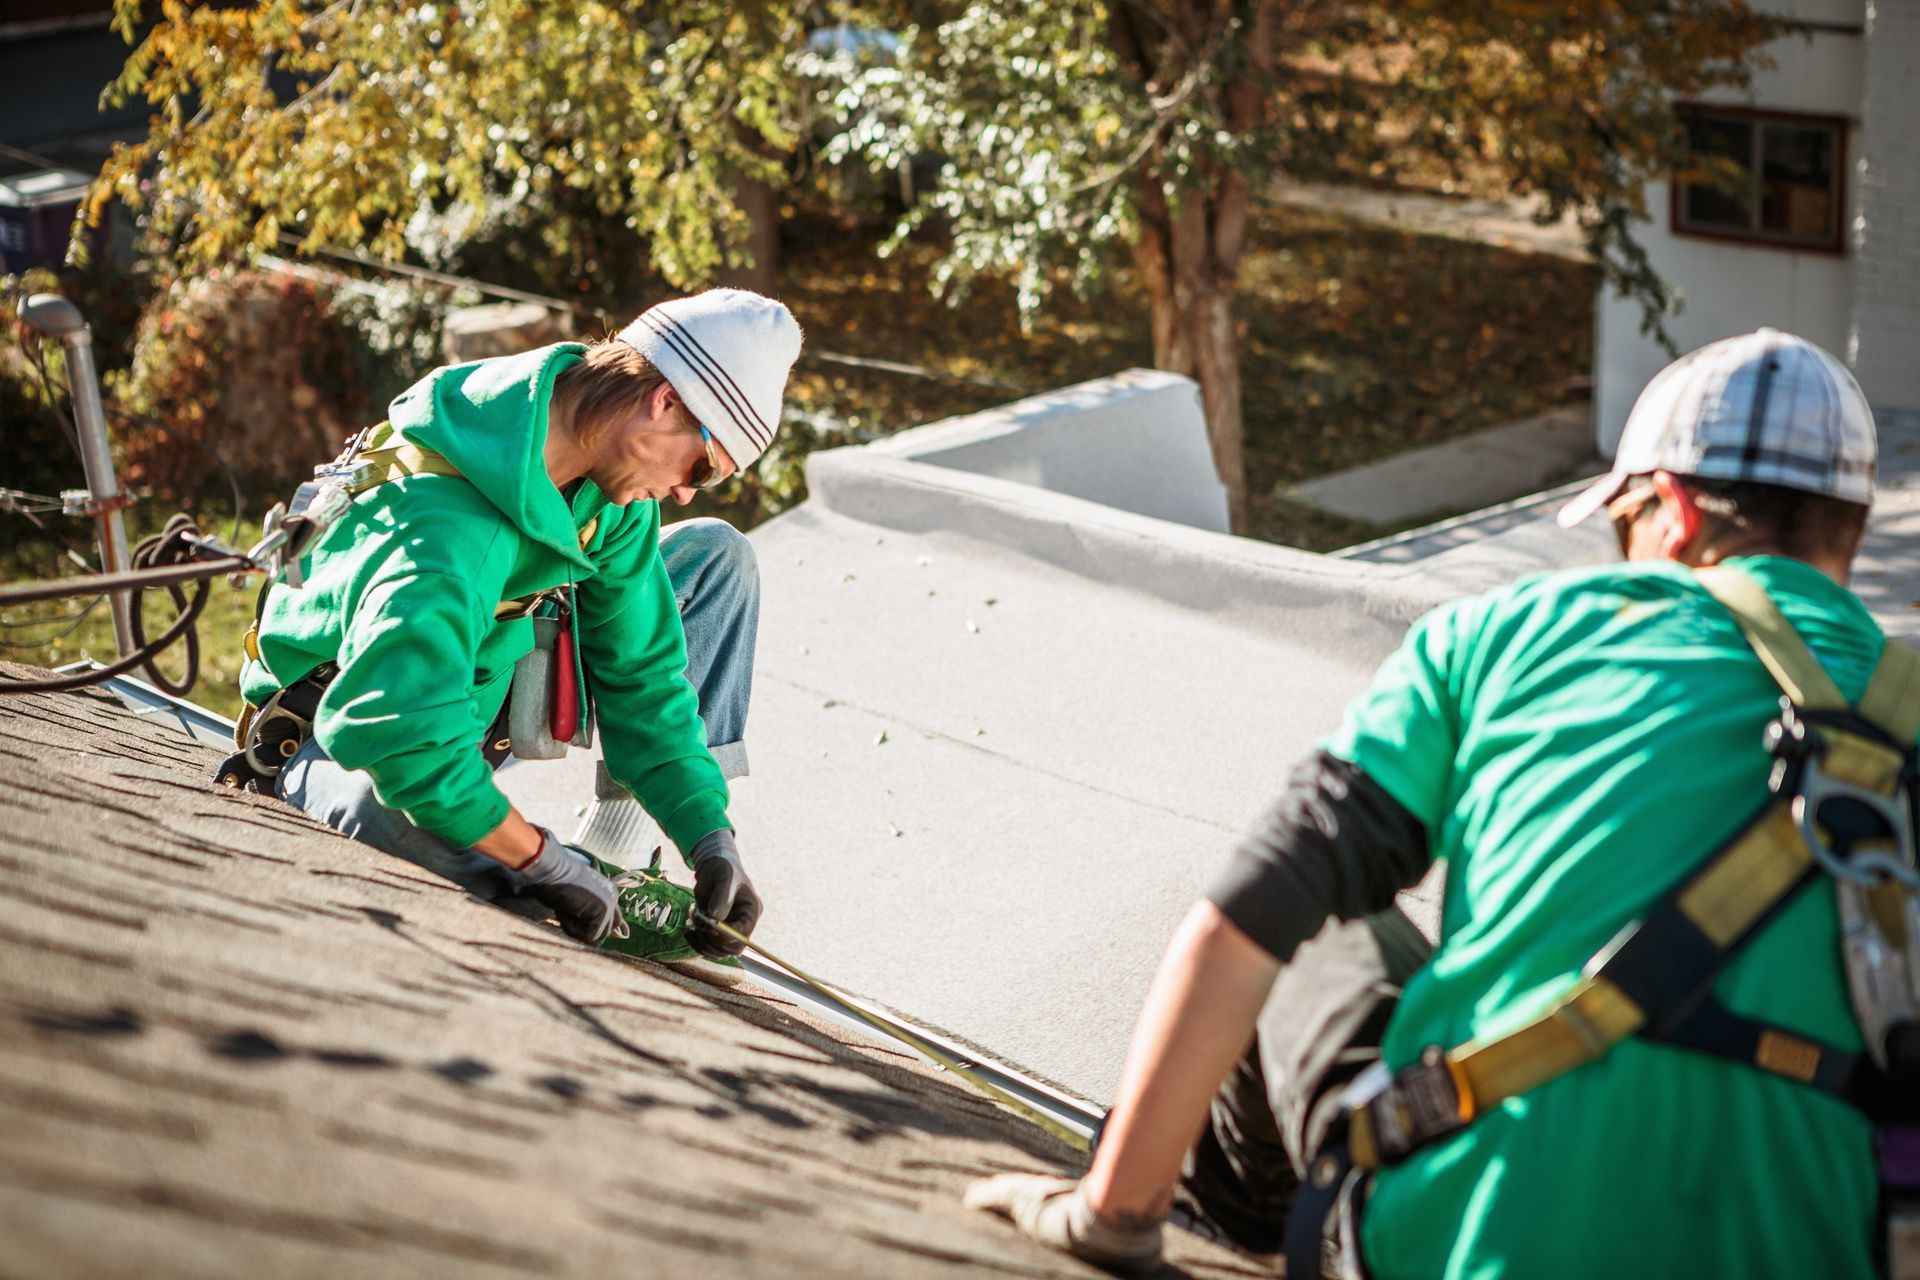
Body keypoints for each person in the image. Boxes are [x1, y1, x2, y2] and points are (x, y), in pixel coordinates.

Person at [969, 329, 1903, 1277]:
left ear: (1671, 510)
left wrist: (1107, 1217)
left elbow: (1242, 922)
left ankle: (1211, 1235)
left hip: (1476, 1242)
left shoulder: (1502, 635)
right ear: (1853, 531)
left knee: (1318, 930)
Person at [231, 288, 801, 964]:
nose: (684, 492)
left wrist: (710, 835)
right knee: (466, 866)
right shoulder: (443, 527)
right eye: (702, 469)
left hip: (472, 698)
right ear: (666, 402)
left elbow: (642, 677)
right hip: (346, 735)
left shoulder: (604, 482)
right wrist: (541, 861)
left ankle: (607, 857)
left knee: (716, 557)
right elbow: (398, 741)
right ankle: (517, 864)